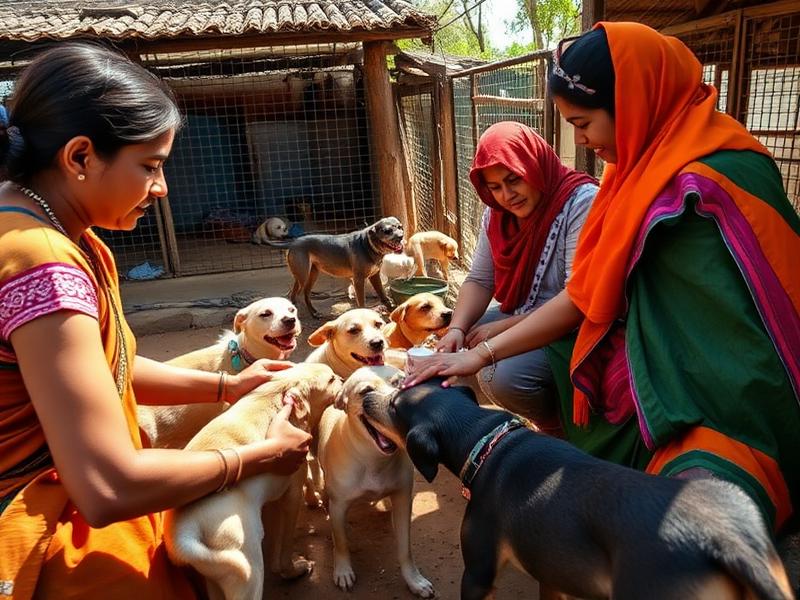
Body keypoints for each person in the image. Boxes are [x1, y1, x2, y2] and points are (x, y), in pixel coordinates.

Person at [405, 22, 800, 535]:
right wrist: (464, 333)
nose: (581, 139)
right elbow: (526, 284)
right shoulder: (633, 165)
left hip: (722, 376)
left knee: (692, 509)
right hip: (636, 340)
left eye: (584, 121)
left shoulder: (703, 176)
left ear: (633, 103)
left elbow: (596, 299)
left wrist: (483, 349)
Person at [0, 44, 313, 598]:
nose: (162, 187)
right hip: (44, 523)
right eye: (150, 166)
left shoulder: (42, 227)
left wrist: (228, 385)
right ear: (79, 157)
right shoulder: (44, 265)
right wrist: (254, 457)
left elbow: (101, 368)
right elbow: (105, 487)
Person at [435, 121, 596, 431]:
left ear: (533, 164)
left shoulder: (581, 201)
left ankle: (556, 431)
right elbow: (480, 279)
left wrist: (494, 339)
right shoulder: (496, 214)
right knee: (459, 340)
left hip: (578, 325)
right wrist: (456, 328)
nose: (507, 195)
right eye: (494, 187)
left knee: (500, 376)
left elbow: (577, 301)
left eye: (514, 179)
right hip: (529, 310)